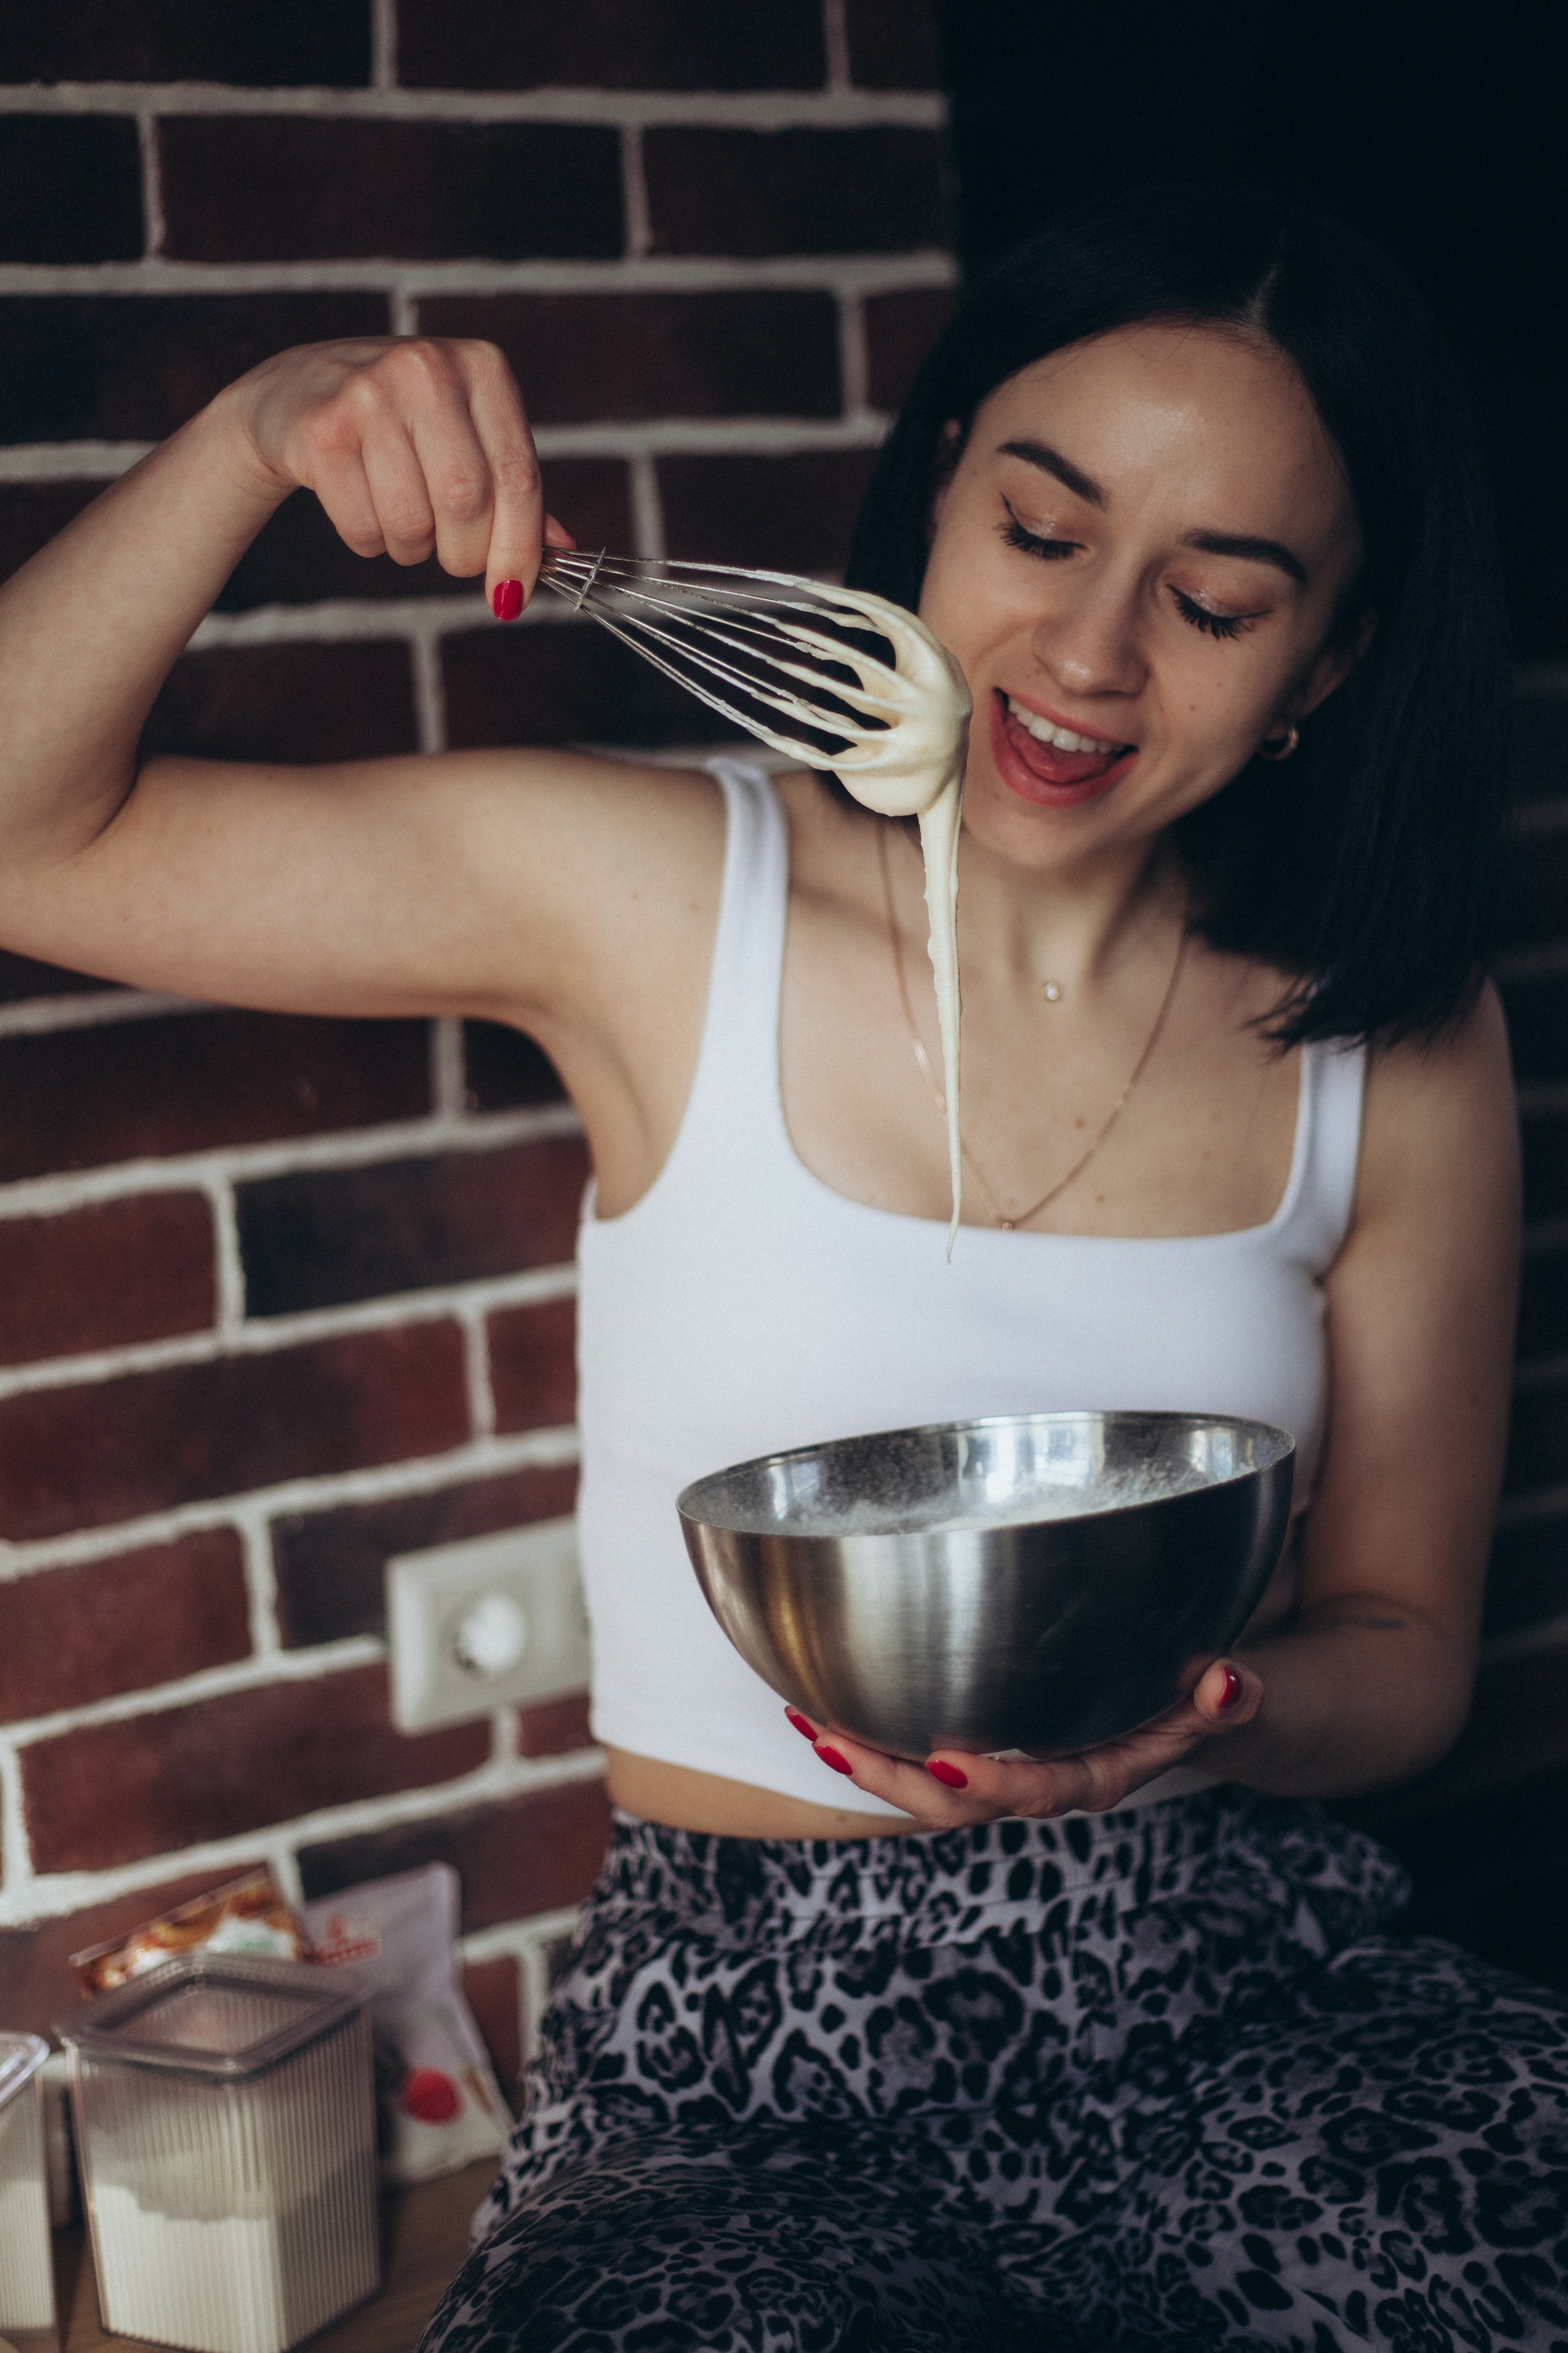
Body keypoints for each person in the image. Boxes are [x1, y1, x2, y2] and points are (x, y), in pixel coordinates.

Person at [1, 184, 1563, 2350]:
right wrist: (261, 430)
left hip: (1231, 1970)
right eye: (1041, 533)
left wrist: (1205, 1719)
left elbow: (1403, 1647)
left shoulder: (1388, 1035)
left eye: (1213, 600)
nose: (1090, 655)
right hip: (744, 2049)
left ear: (1329, 664)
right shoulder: (657, 896)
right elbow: (22, 831)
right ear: (938, 499)